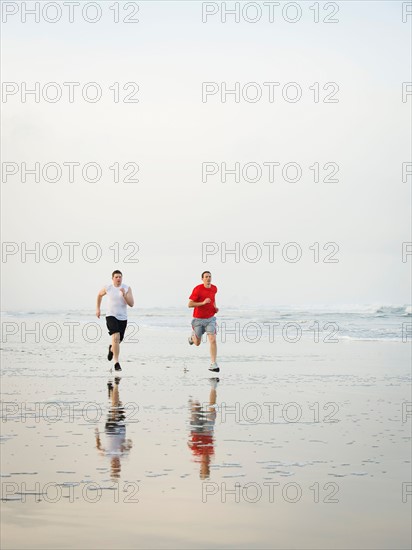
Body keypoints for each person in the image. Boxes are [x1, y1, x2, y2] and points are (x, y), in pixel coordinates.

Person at [96, 270, 134, 371]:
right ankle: (116, 362)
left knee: (118, 340)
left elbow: (131, 304)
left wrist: (125, 295)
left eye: (120, 277)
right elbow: (99, 295)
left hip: (123, 318)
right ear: (112, 278)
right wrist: (98, 309)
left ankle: (111, 349)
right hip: (111, 316)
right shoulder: (108, 288)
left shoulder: (126, 288)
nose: (118, 279)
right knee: (116, 335)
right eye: (116, 277)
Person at [188, 270, 219, 373]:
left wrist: (215, 308)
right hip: (198, 319)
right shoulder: (198, 289)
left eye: (209, 276)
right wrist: (203, 303)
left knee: (213, 340)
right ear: (202, 279)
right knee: (197, 343)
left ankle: (213, 364)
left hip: (210, 318)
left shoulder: (214, 288)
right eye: (206, 277)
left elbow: (213, 299)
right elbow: (190, 304)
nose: (208, 278)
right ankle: (192, 337)